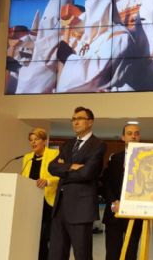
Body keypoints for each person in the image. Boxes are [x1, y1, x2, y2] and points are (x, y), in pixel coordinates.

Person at [48, 107, 106, 260]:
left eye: (79, 118)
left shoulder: (98, 145)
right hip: (60, 207)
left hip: (81, 209)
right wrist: (71, 167)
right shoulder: (68, 144)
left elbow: (87, 173)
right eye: (73, 119)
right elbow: (51, 167)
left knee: (82, 254)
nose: (76, 122)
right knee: (56, 253)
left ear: (90, 122)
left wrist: (63, 169)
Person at [102, 124, 143, 260]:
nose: (133, 136)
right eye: (129, 133)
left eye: (136, 133)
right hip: (115, 212)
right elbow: (106, 183)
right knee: (112, 253)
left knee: (131, 253)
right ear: (123, 137)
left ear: (139, 137)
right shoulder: (115, 159)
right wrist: (114, 202)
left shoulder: (147, 160)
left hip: (135, 214)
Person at [21, 128, 60, 260]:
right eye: (31, 140)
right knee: (33, 237)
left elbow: (61, 177)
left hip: (47, 202)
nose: (33, 142)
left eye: (36, 139)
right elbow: (24, 178)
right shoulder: (27, 158)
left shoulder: (54, 154)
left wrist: (48, 181)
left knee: (43, 237)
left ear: (44, 141)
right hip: (31, 203)